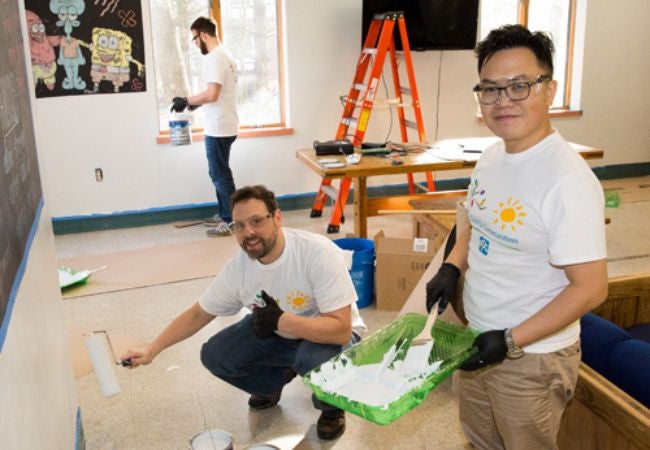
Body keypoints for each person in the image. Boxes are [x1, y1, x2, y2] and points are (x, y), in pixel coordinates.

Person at [425, 25, 607, 449]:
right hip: (478, 338)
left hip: (533, 357)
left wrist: (509, 341)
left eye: (519, 86)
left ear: (549, 88)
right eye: (490, 89)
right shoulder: (491, 157)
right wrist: (452, 267)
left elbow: (591, 288)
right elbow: (473, 221)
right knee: (479, 441)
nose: (502, 101)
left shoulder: (567, 180)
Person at [124, 185, 366, 441]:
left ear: (277, 218)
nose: (248, 232)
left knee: (311, 358)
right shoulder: (239, 270)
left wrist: (283, 320)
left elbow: (341, 331)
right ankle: (277, 379)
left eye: (256, 221)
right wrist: (153, 349)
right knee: (216, 356)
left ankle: (331, 408)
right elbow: (198, 314)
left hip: (328, 338)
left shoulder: (316, 252)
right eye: (238, 225)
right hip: (280, 333)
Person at [171, 17, 239, 237]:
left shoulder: (215, 58)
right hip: (224, 123)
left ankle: (231, 221)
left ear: (203, 35)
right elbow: (218, 95)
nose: (195, 44)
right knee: (217, 172)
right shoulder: (226, 55)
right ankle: (224, 213)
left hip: (218, 127)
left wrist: (187, 100)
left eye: (194, 39)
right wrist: (194, 105)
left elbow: (212, 94)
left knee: (220, 175)